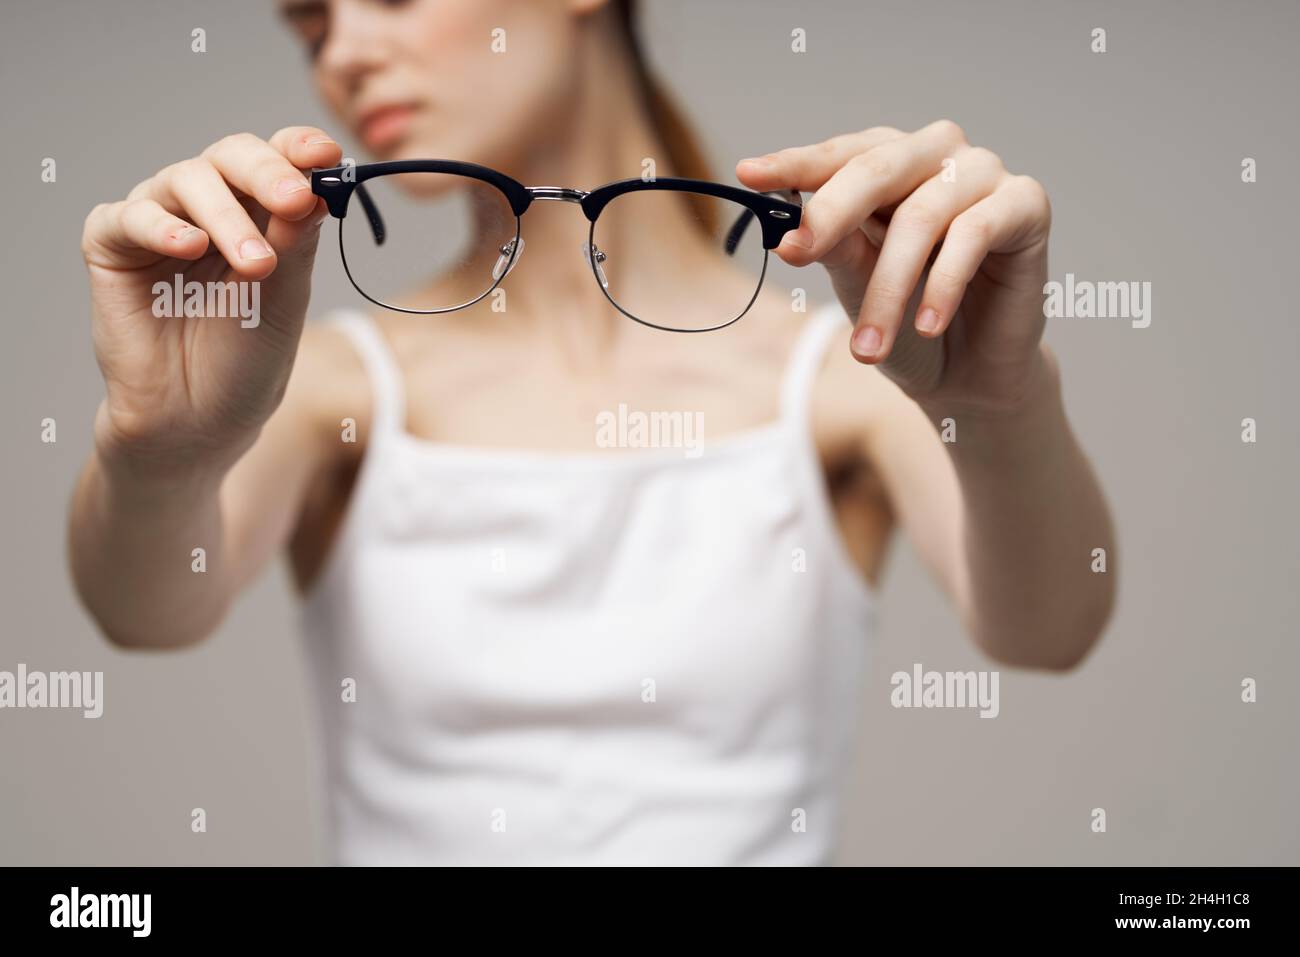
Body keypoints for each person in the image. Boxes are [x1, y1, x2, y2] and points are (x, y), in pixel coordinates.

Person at [69, 0, 1116, 865]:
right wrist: (158, 452)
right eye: (311, 29)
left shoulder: (840, 384)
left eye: (387, 0)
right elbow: (146, 612)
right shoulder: (331, 390)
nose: (341, 55)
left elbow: (1046, 629)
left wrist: (998, 404)